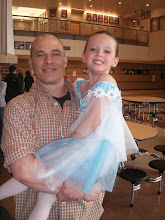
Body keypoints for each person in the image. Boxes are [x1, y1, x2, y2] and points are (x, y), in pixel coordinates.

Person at [1, 33, 112, 220]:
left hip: (87, 214)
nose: (48, 60)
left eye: (55, 54)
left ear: (65, 61)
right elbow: (23, 170)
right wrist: (82, 188)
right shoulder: (20, 106)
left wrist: (96, 183)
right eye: (40, 54)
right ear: (30, 62)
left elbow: (108, 147)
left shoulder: (89, 100)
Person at [0, 77, 7, 145]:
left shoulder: (3, 84)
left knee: (3, 125)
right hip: (2, 105)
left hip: (1, 105)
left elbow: (2, 93)